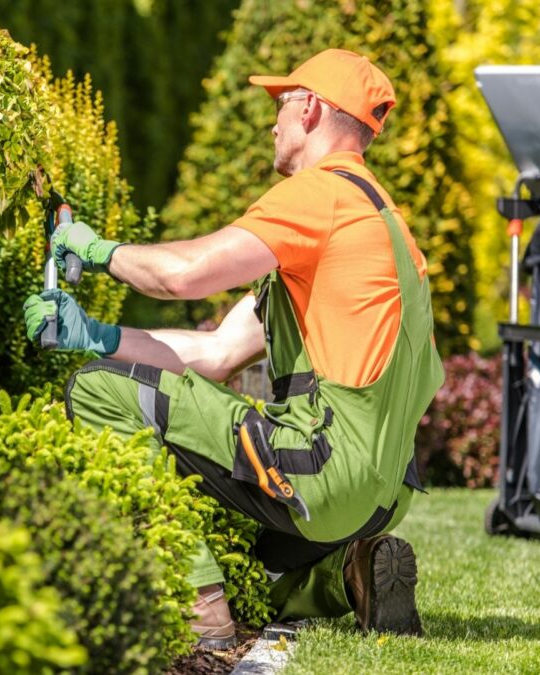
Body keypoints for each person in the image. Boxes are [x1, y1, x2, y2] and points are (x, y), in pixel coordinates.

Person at [23, 48, 444, 648]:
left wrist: (97, 250)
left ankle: (198, 609)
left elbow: (182, 276)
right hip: (380, 494)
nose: (272, 121)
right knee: (241, 551)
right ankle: (347, 576)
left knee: (95, 390)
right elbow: (217, 353)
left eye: (281, 104)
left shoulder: (320, 195)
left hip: (322, 469)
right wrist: (94, 335)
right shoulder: (381, 223)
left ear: (312, 110)